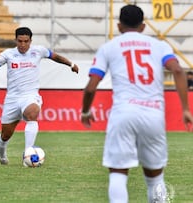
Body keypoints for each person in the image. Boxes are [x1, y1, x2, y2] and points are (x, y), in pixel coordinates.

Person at [80, 4, 193, 203]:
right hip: (153, 114)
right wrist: (185, 108)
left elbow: (90, 88)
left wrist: (86, 111)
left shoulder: (109, 47)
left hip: (123, 113)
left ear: (119, 26)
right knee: (155, 177)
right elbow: (177, 71)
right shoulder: (159, 46)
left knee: (118, 171)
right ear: (142, 26)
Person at [0, 27, 79, 165]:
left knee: (32, 113)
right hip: (12, 98)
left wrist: (71, 64)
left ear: (31, 41)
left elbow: (55, 57)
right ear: (15, 40)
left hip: (30, 95)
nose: (23, 45)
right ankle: (2, 155)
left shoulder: (38, 51)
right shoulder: (8, 54)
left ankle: (28, 154)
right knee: (5, 135)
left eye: (26, 41)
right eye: (20, 41)